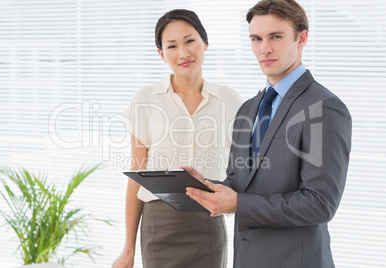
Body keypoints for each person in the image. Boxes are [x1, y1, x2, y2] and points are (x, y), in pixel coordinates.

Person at [185, 1, 352, 267]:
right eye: (256, 38)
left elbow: (320, 204)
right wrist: (206, 186)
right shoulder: (247, 109)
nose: (264, 48)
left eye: (275, 36)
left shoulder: (324, 107)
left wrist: (240, 203)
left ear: (302, 38)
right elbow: (239, 181)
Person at [112, 9, 243, 268]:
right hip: (158, 227)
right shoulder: (145, 100)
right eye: (172, 46)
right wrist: (128, 249)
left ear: (205, 43)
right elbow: (136, 178)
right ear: (161, 54)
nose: (183, 53)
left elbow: (244, 170)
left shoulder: (229, 100)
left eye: (189, 41)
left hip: (207, 223)